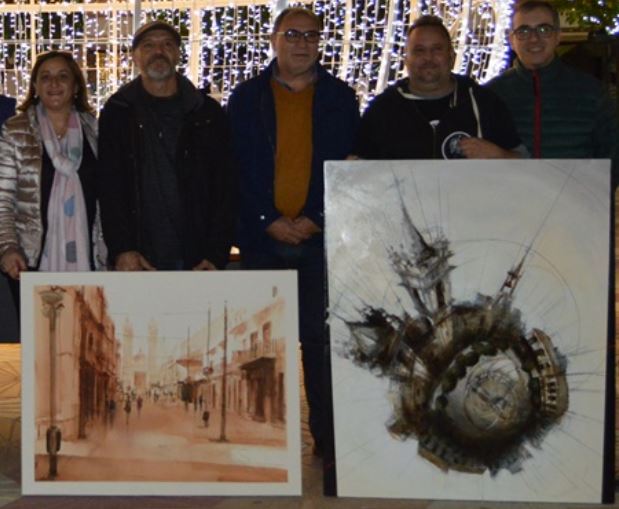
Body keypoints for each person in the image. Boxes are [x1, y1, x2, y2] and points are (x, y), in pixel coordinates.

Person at [227, 7, 359, 455]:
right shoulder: (247, 98)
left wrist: (316, 217)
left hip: (320, 240)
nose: (302, 43)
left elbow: (350, 165)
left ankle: (328, 442)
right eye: (293, 34)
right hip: (263, 241)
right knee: (267, 353)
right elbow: (237, 170)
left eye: (311, 35)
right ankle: (270, 447)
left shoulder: (342, 98)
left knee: (320, 345)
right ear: (274, 40)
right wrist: (268, 221)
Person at [97, 20, 237, 271]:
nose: (158, 52)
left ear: (177, 54)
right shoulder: (118, 112)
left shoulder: (206, 113)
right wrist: (122, 249)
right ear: (135, 57)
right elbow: (110, 187)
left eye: (167, 45)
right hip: (138, 256)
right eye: (149, 46)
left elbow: (224, 187)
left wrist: (216, 253)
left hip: (195, 256)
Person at [0, 51, 104, 319]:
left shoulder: (93, 129)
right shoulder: (15, 130)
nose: (53, 84)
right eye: (45, 77)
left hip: (89, 256)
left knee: (84, 333)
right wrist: (8, 247)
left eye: (62, 76)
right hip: (29, 258)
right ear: (35, 86)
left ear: (76, 85)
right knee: (41, 342)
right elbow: (3, 197)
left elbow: (106, 196)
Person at [352, 15, 525, 160]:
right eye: (419, 50)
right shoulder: (382, 111)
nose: (428, 58)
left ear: (451, 56)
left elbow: (524, 163)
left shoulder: (485, 103)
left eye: (437, 49)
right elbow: (360, 171)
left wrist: (498, 155)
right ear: (406, 60)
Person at [487, 1, 618, 162]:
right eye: (524, 31)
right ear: (512, 40)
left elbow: (613, 155)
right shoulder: (492, 95)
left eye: (544, 30)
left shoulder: (591, 92)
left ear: (557, 36)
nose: (534, 39)